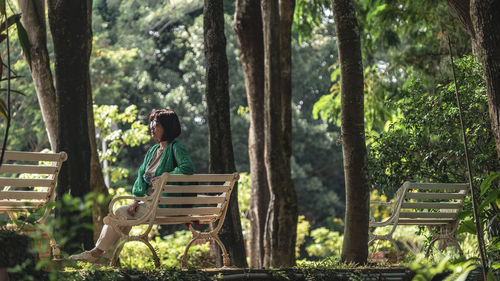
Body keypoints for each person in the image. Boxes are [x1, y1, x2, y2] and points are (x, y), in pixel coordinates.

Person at [69, 108, 194, 263]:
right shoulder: (153, 151)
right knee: (124, 216)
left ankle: (96, 253)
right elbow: (141, 177)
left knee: (119, 213)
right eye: (151, 124)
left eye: (156, 125)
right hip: (150, 204)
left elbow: (187, 168)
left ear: (167, 127)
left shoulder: (176, 147)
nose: (152, 128)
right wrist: (135, 201)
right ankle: (108, 258)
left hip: (165, 205)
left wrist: (165, 176)